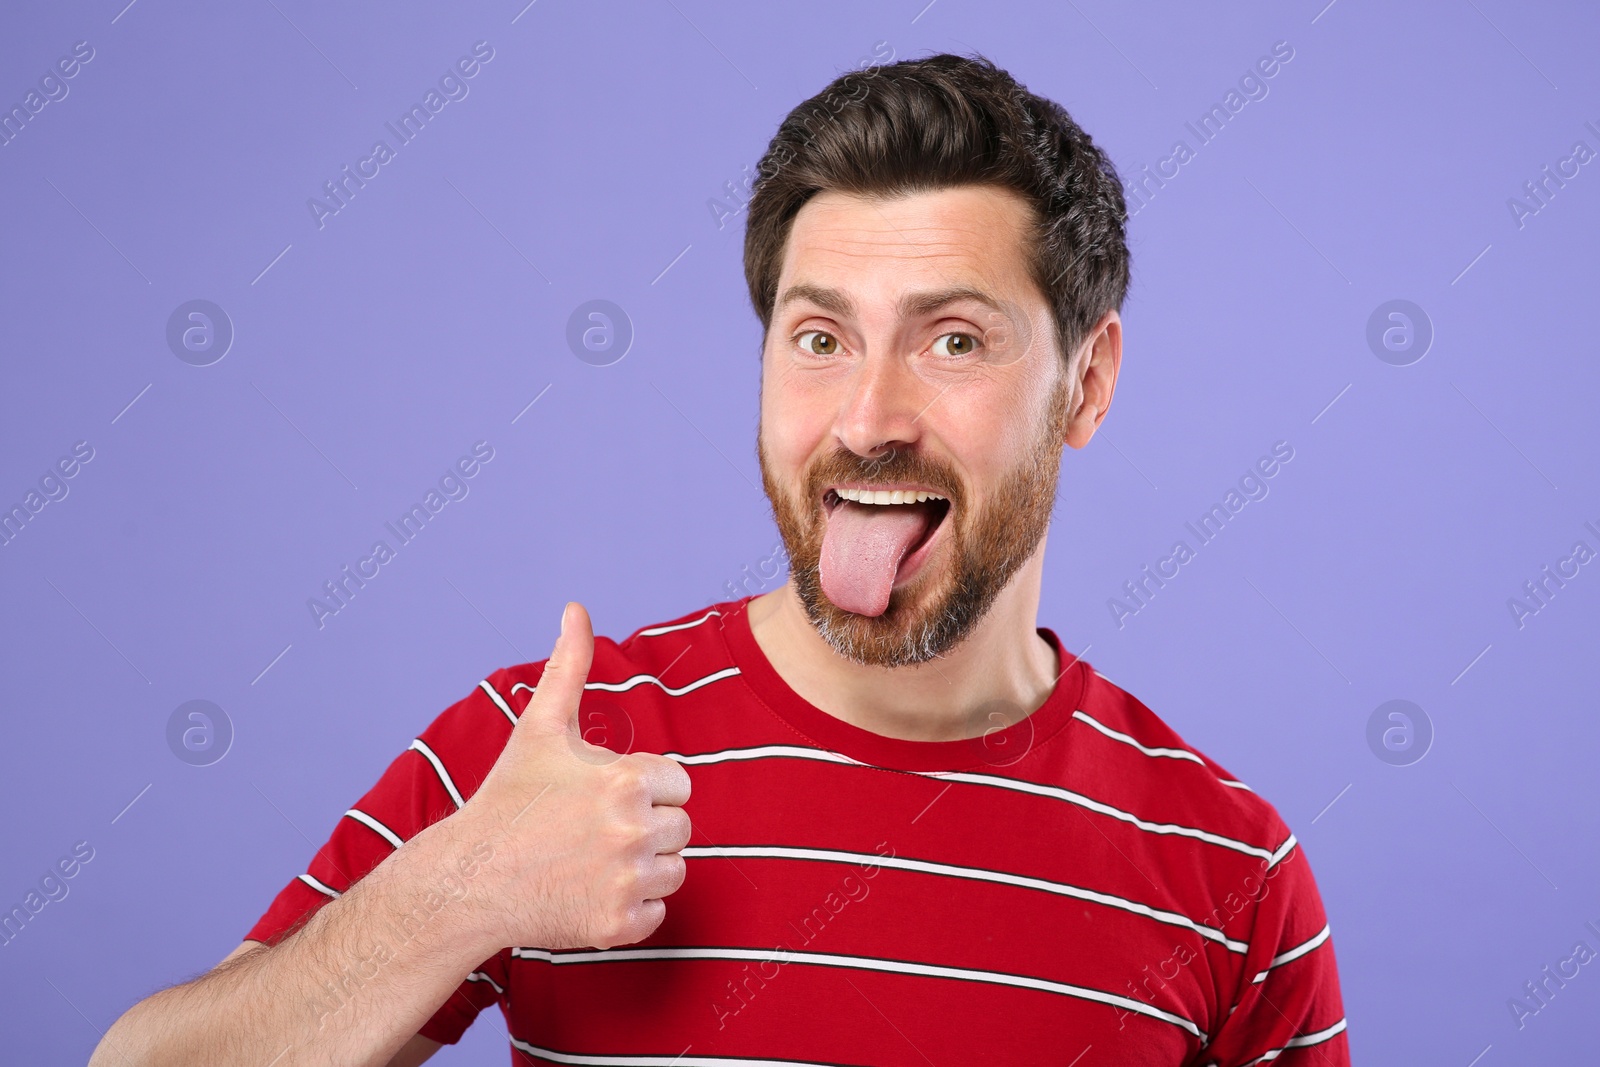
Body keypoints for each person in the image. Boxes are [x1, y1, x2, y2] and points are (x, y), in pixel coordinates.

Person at [93, 52, 1348, 1066]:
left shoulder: (1226, 870)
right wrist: (459, 892)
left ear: (1088, 380)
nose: (867, 415)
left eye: (953, 340)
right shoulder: (555, 752)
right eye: (818, 336)